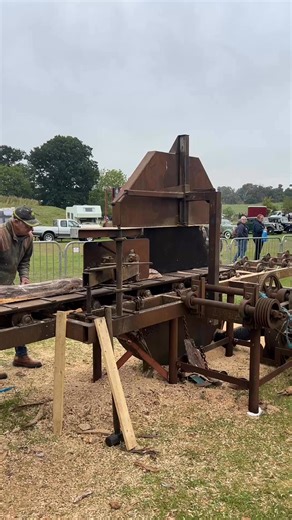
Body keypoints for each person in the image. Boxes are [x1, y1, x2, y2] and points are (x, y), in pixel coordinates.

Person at [0, 206, 42, 379]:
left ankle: (21, 355)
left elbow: (24, 261)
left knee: (18, 316)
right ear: (15, 222)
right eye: (27, 225)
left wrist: (24, 277)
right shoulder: (1, 236)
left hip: (9, 287)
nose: (31, 229)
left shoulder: (28, 238)